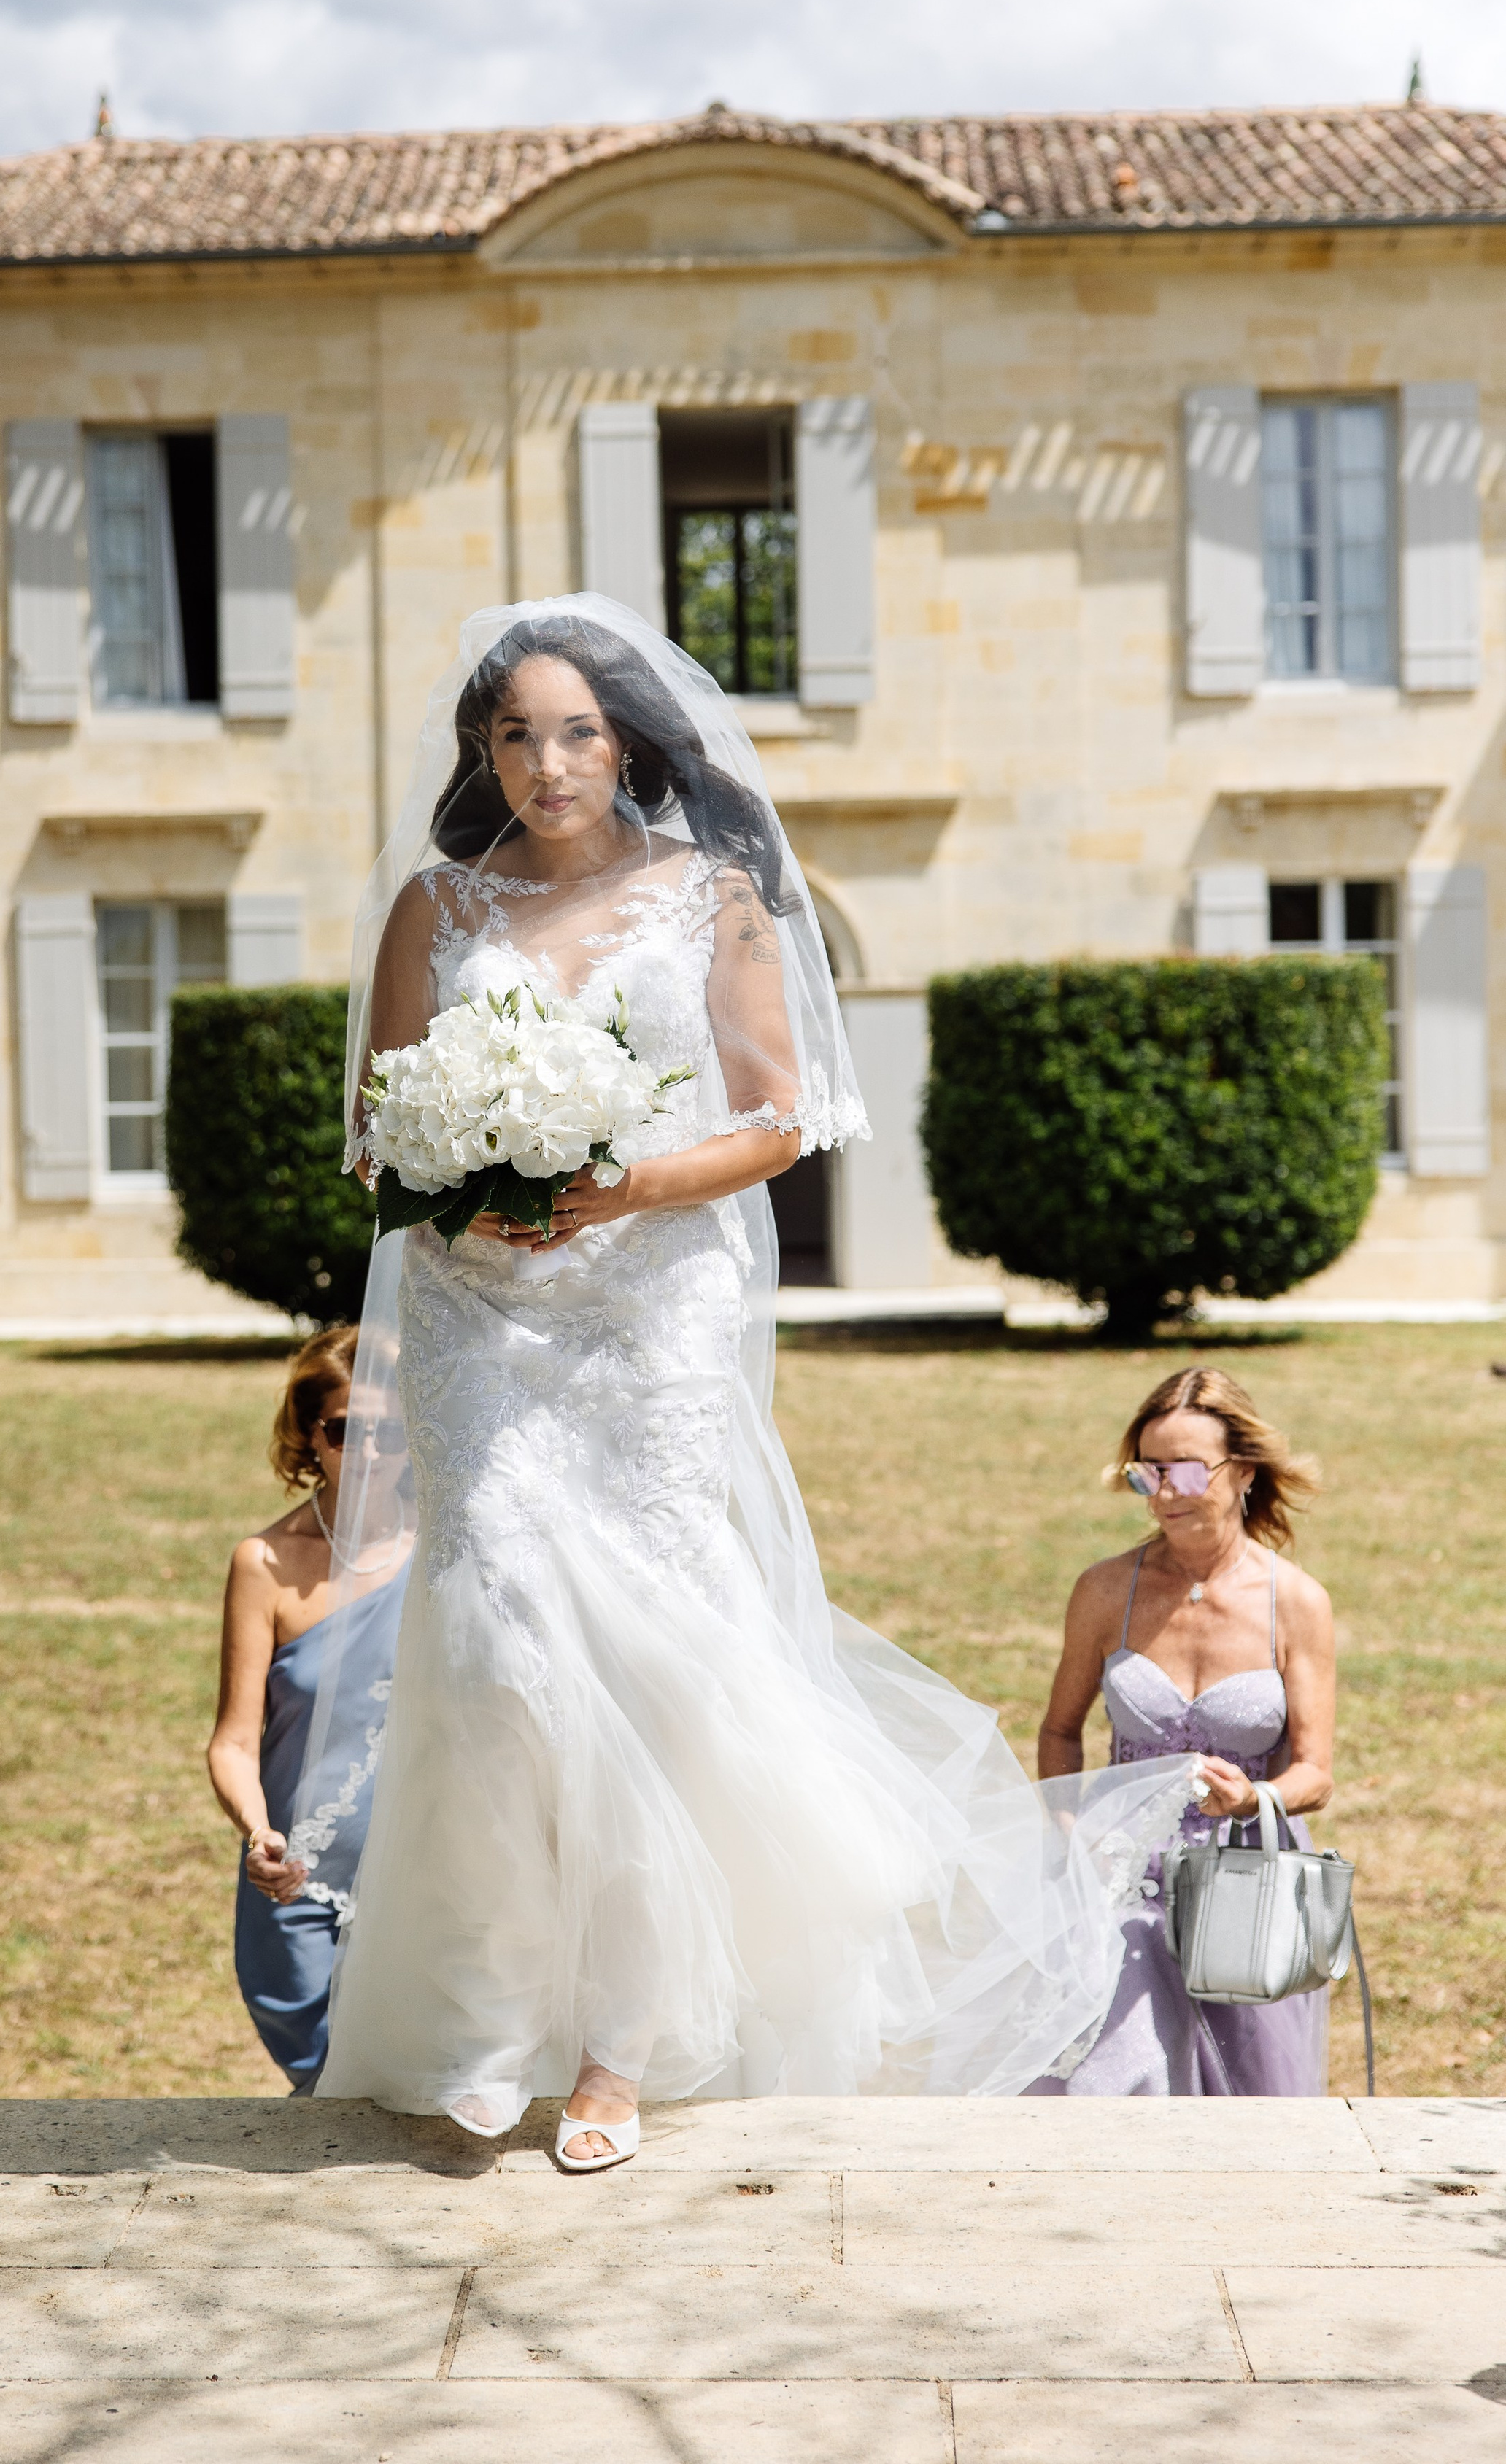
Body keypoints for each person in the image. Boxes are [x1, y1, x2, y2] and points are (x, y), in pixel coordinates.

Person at [308, 592, 1200, 2171]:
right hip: (478, 1314)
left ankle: (615, 2048)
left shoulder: (707, 896)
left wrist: (617, 1186)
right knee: (494, 1653)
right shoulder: (430, 912)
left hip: (643, 1311)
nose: (543, 760)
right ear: (484, 753)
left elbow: (782, 1119)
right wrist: (464, 1167)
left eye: (573, 730)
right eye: (512, 734)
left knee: (652, 1668)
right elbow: (377, 1128)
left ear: (627, 742)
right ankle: (480, 2011)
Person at [1028, 1365, 1336, 2096]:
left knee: (1245, 2096)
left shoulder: (1294, 1602)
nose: (1163, 1494)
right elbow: (1058, 1730)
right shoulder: (1104, 1589)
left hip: (1242, 1880)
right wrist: (1071, 1834)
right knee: (1116, 2075)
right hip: (1120, 1873)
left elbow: (1314, 1771)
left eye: (1185, 1473)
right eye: (1146, 1473)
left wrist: (1251, 1798)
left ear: (1243, 1473)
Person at [205, 1325, 410, 2092]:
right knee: (328, 2091)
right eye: (346, 1431)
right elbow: (232, 1741)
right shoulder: (263, 1565)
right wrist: (260, 1835)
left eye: (392, 1431)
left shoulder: (449, 1547)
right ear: (307, 1436)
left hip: (427, 1878)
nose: (372, 1453)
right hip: (299, 1882)